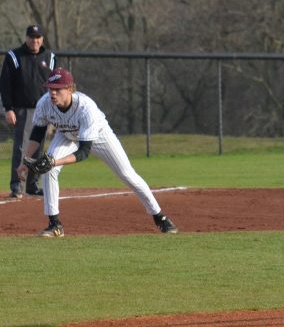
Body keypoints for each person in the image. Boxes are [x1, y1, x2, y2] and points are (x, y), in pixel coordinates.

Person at [16, 67, 178, 237]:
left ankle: (159, 216)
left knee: (127, 174)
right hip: (67, 135)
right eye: (50, 88)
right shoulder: (44, 103)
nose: (53, 93)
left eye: (58, 89)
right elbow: (37, 133)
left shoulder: (86, 108)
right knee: (49, 170)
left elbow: (84, 151)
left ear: (70, 89)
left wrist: (54, 161)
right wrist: (24, 162)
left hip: (100, 135)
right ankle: (55, 225)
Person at [1, 24, 56, 198]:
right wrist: (8, 108)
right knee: (21, 147)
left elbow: (56, 83)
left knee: (39, 149)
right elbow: (5, 84)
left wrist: (55, 110)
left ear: (42, 39)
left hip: (44, 110)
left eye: (38, 37)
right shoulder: (14, 56)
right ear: (26, 38)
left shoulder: (50, 57)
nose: (35, 40)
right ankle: (17, 185)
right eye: (32, 37)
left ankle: (32, 184)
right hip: (22, 109)